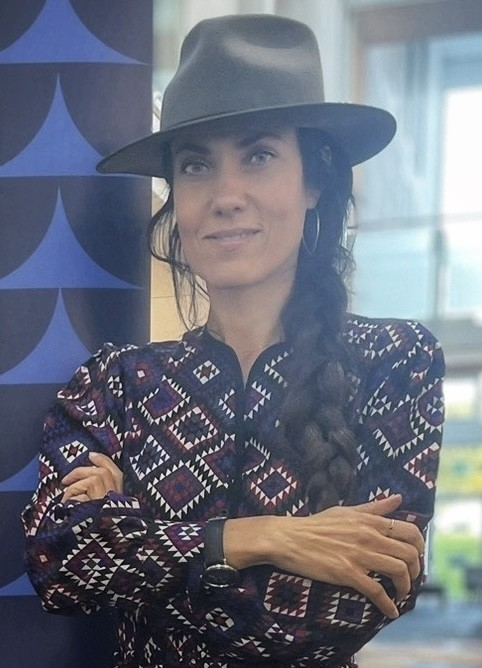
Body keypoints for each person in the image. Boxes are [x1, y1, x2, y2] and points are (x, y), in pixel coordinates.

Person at [22, 14, 444, 668]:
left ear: (313, 181)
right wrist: (261, 539)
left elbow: (347, 608)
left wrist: (136, 532)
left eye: (259, 156)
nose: (225, 195)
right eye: (196, 165)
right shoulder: (115, 383)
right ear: (175, 196)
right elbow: (61, 567)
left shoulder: (396, 363)